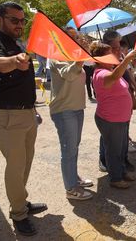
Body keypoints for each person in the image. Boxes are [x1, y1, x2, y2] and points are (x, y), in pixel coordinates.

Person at [0, 1, 46, 236]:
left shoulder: (17, 43)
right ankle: (18, 214)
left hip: (25, 113)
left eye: (22, 20)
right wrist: (15, 61)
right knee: (16, 166)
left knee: (25, 162)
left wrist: (32, 110)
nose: (19, 25)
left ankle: (20, 201)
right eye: (14, 20)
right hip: (7, 116)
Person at [49, 28, 94, 201]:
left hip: (76, 108)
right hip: (64, 110)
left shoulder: (74, 56)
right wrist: (80, 59)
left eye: (77, 37)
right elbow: (68, 74)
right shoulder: (56, 55)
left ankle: (74, 178)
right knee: (68, 149)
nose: (75, 39)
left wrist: (84, 52)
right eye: (71, 37)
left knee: (74, 147)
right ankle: (70, 189)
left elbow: (90, 63)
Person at [90, 42, 136, 189]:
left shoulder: (109, 70)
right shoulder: (101, 73)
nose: (112, 56)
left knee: (121, 149)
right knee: (113, 151)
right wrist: (127, 59)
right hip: (110, 119)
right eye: (108, 54)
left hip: (120, 119)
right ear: (99, 58)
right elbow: (114, 76)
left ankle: (121, 172)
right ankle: (115, 178)